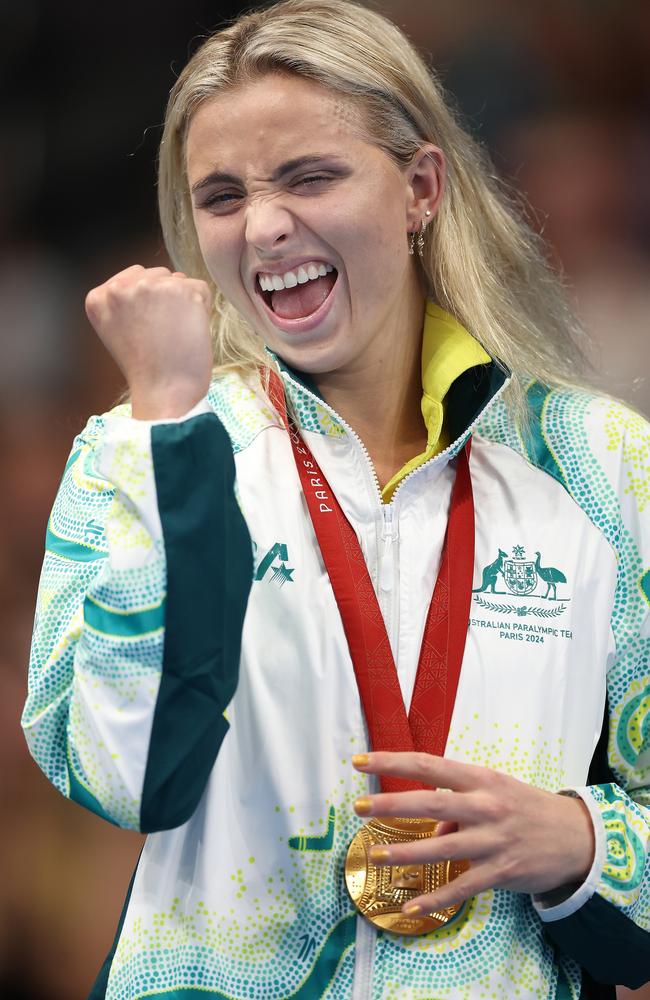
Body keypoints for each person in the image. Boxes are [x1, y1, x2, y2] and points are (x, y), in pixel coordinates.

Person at [22, 1, 649, 997]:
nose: (265, 225)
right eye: (221, 195)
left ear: (418, 187)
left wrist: (579, 836)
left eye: (310, 176)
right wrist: (169, 437)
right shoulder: (130, 453)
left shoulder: (596, 466)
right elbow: (130, 774)